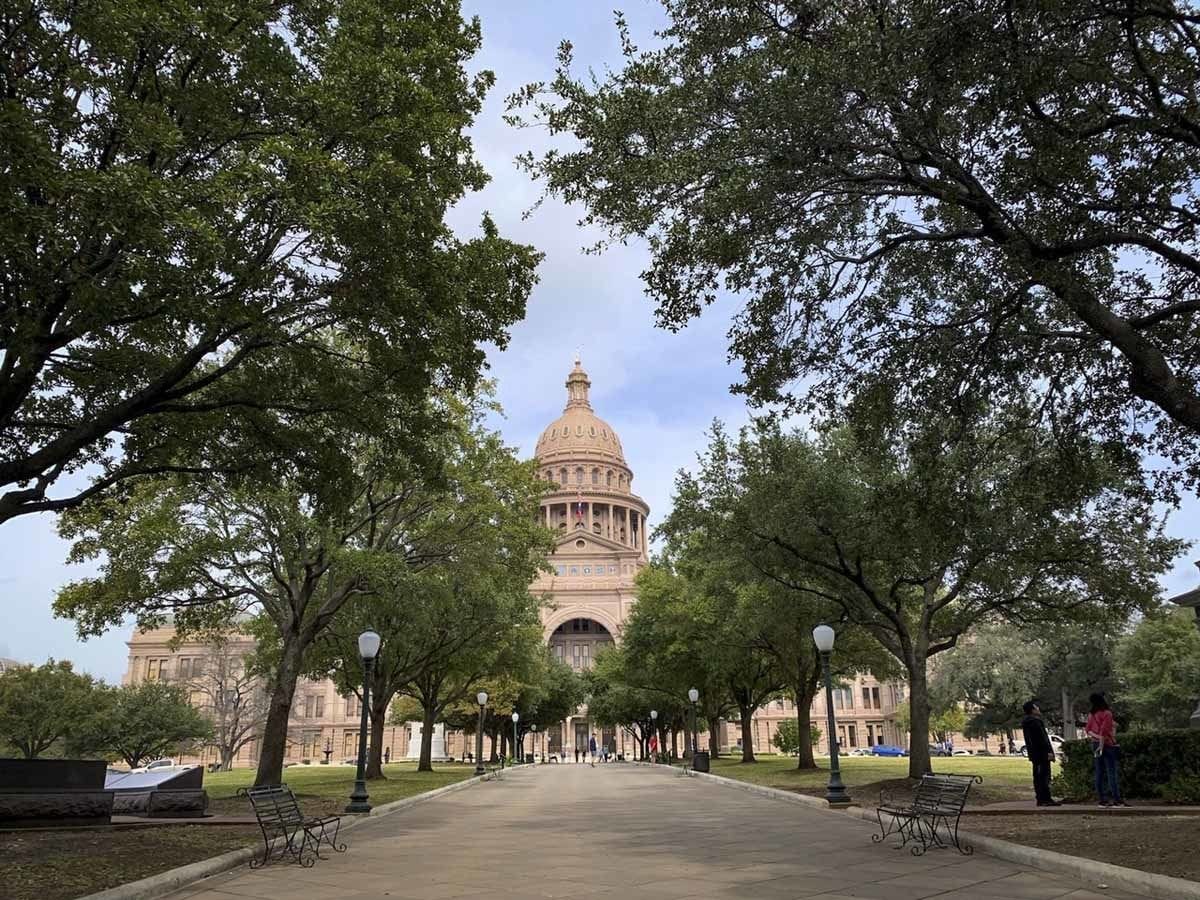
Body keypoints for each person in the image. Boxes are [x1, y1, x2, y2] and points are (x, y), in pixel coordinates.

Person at [1086, 693, 1127, 807]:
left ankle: (1102, 799)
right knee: (1111, 772)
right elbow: (1104, 731)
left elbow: (1088, 730)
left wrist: (1097, 740)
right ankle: (1116, 799)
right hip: (1108, 745)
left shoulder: (1091, 714)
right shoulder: (1107, 714)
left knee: (1099, 772)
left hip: (1095, 744)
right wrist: (1101, 742)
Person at [1020, 701, 1061, 807]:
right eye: (1036, 707)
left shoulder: (1026, 723)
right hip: (1042, 753)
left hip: (1034, 754)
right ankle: (1045, 798)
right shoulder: (1036, 722)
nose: (1038, 709)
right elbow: (1043, 739)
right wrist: (1049, 752)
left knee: (1038, 776)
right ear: (1033, 710)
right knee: (1044, 776)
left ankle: (1041, 798)